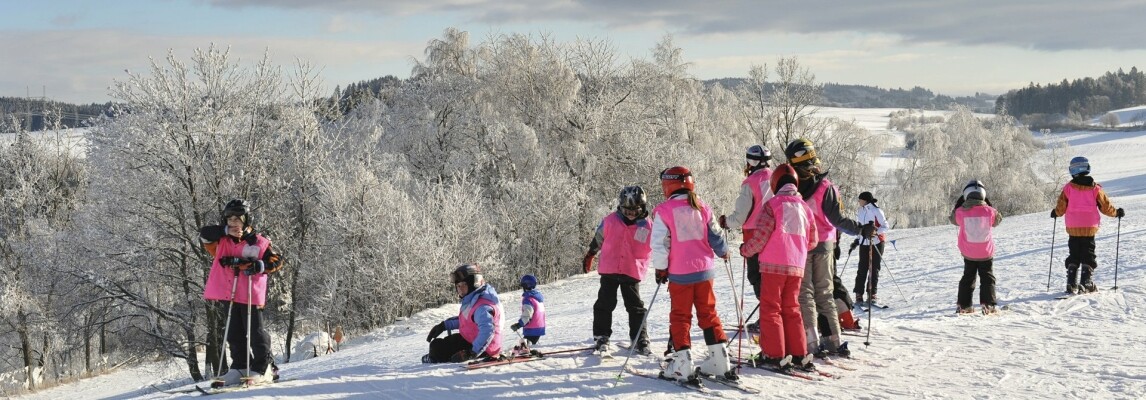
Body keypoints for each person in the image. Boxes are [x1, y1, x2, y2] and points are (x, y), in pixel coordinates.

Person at [784, 139, 873, 363]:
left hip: (800, 246)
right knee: (825, 292)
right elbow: (837, 219)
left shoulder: (791, 187)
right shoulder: (826, 187)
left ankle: (812, 342)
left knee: (804, 294)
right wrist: (861, 230)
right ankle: (834, 340)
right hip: (824, 245)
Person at [652, 166, 736, 384]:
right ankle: (720, 360)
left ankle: (682, 364)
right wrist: (724, 251)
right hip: (705, 272)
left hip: (681, 274)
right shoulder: (702, 206)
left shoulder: (664, 210)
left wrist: (661, 268)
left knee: (681, 316)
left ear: (668, 186)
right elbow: (716, 235)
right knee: (708, 313)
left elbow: (660, 244)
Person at [739, 164, 817, 370]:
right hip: (796, 266)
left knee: (771, 309)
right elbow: (813, 240)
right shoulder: (805, 208)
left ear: (775, 183)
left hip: (773, 265)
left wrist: (746, 249)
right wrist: (797, 249)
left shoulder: (772, 205)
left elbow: (761, 237)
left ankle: (774, 354)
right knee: (792, 308)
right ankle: (799, 352)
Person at [200, 199, 284, 387]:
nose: (233, 222)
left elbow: (277, 261)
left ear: (246, 219)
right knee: (233, 331)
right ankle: (240, 365)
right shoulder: (221, 240)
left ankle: (264, 367)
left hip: (250, 294)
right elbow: (204, 234)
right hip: (228, 292)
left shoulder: (259, 242)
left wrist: (259, 265)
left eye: (237, 218)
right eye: (229, 218)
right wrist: (225, 231)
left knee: (255, 331)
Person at [582, 186, 653, 355]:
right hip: (610, 269)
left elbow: (657, 246)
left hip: (631, 270)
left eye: (634, 210)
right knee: (604, 304)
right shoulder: (610, 220)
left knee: (635, 307)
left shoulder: (648, 226)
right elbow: (598, 238)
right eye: (626, 210)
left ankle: (640, 338)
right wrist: (591, 254)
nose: (630, 213)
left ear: (642, 208)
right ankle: (601, 336)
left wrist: (664, 266)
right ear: (620, 207)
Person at [718, 145, 774, 333]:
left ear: (751, 162)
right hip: (776, 235)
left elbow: (741, 214)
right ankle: (773, 314)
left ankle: (768, 317)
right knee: (771, 277)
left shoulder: (750, 182)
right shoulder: (777, 178)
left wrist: (727, 221)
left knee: (756, 276)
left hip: (754, 234)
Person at [1051, 157, 1124, 294]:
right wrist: (1116, 213)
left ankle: (1071, 282)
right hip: (1089, 226)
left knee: (1074, 252)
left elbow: (1061, 206)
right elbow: (1105, 206)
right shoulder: (1095, 188)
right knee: (1088, 253)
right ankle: (1086, 282)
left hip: (1073, 226)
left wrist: (1056, 213)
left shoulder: (1068, 188)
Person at [423, 264, 504, 363]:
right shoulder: (473, 299)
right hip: (471, 340)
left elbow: (488, 331)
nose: (460, 289)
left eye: (464, 285)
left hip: (483, 348)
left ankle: (434, 357)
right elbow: (467, 320)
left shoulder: (482, 306)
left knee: (438, 348)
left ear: (475, 283)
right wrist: (444, 325)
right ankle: (434, 355)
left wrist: (472, 353)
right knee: (437, 344)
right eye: (458, 286)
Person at [950, 181, 1003, 314]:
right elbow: (998, 220)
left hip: (969, 252)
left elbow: (953, 219)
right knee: (987, 277)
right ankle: (988, 304)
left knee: (968, 277)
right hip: (985, 252)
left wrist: (958, 204)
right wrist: (989, 205)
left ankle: (964, 305)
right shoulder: (989, 211)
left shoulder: (961, 212)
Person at [853, 191, 889, 307]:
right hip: (864, 242)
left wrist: (875, 232)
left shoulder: (876, 210)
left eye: (860, 199)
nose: (859, 201)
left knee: (874, 268)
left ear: (865, 200)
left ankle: (872, 293)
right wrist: (859, 237)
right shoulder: (860, 211)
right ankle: (859, 293)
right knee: (862, 268)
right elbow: (859, 226)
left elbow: (885, 226)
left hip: (877, 241)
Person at [509, 274, 546, 356]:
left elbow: (527, 315)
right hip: (539, 327)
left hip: (532, 329)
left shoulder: (528, 299)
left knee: (525, 342)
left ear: (525, 286)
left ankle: (523, 350)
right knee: (526, 342)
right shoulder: (537, 298)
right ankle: (526, 348)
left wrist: (519, 325)